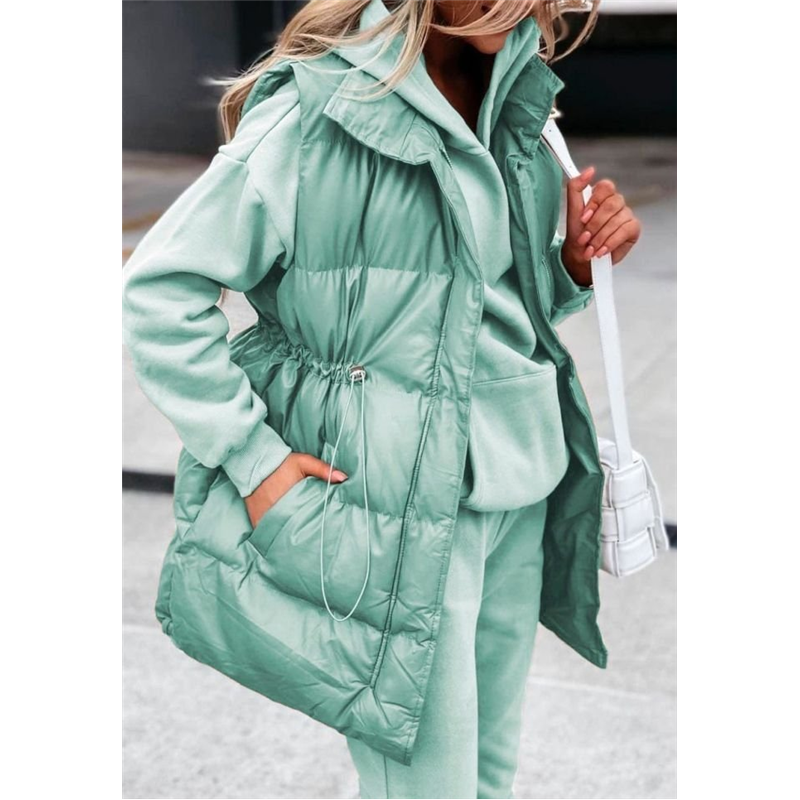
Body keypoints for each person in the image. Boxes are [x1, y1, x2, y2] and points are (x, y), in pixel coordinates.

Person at [122, 1, 642, 797]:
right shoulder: (316, 110)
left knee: (487, 776)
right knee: (428, 785)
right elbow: (159, 292)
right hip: (393, 505)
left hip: (519, 479)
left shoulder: (518, 97)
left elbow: (483, 300)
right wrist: (255, 461)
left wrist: (569, 264)